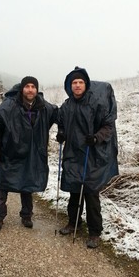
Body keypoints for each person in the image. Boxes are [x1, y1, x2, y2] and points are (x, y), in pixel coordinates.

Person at [56, 67, 119, 248]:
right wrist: (61, 134)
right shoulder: (67, 106)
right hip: (73, 154)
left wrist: (96, 137)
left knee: (91, 194)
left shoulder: (96, 103)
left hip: (92, 155)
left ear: (86, 84)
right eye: (74, 83)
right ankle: (73, 223)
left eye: (80, 82)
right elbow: (62, 123)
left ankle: (94, 232)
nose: (77, 85)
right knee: (75, 191)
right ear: (70, 85)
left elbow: (108, 125)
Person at [0, 76, 58, 231]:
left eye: (33, 86)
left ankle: (26, 215)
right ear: (22, 88)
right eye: (27, 86)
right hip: (9, 151)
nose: (30, 89)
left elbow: (58, 115)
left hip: (31, 153)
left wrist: (63, 132)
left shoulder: (43, 106)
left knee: (27, 183)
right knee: (2, 184)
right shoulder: (9, 104)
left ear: (37, 89)